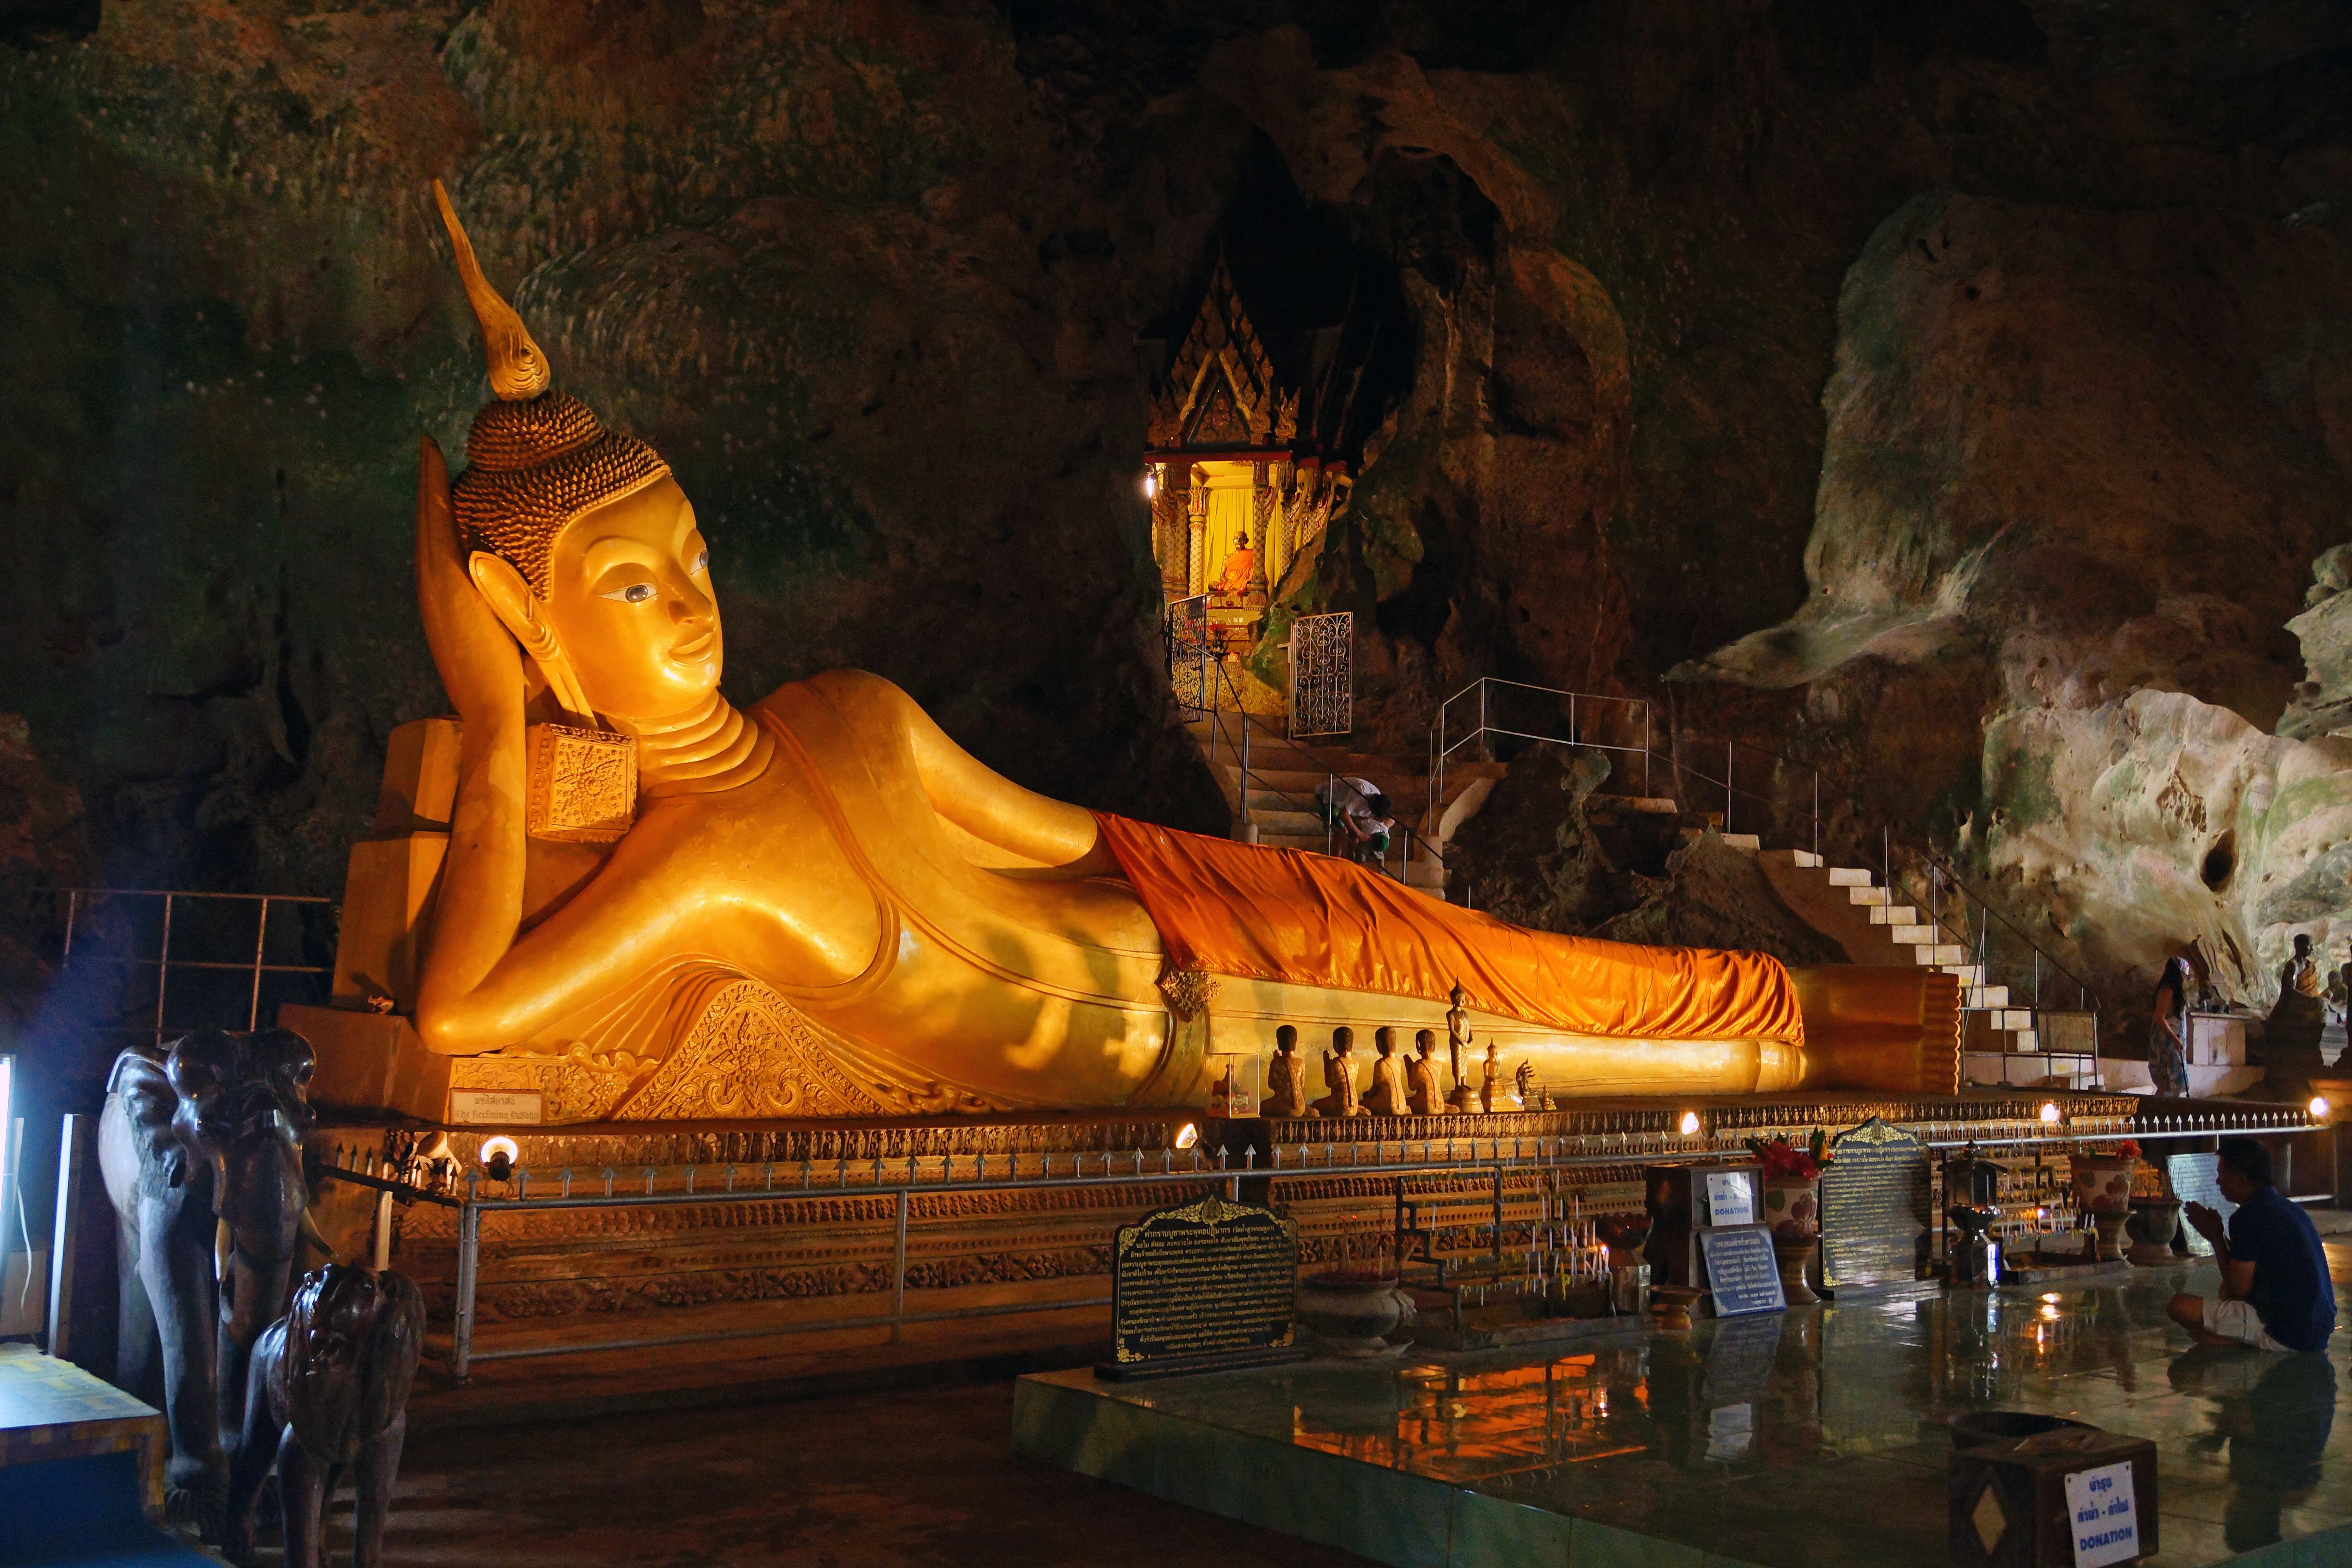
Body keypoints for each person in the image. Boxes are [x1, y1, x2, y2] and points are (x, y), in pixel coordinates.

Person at [2167, 1138, 2336, 1352]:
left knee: (2179, 1306)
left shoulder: (2248, 1216)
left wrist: (2216, 1237)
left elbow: (2238, 1290)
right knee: (2219, 1302)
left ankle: (2252, 1341)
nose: (2218, 1182)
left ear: (2241, 1178)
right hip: (2318, 1330)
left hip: (2289, 1334)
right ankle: (2242, 1337)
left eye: (2222, 1174)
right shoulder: (2289, 1209)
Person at [1316, 775, 1395, 866]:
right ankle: (1335, 863)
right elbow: (1343, 814)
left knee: (1354, 831)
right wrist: (1360, 834)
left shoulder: (1379, 802)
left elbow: (1390, 820)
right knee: (1342, 831)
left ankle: (1352, 863)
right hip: (1328, 798)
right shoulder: (1360, 794)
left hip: (1343, 805)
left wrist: (1386, 830)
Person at [2151, 956, 2192, 1099]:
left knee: (2176, 1082)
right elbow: (2159, 1017)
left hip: (2174, 1042)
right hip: (2167, 1042)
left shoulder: (2175, 992)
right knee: (2169, 1081)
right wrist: (2175, 1039)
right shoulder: (2167, 991)